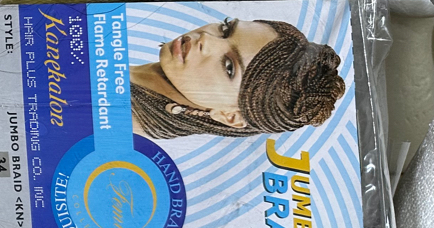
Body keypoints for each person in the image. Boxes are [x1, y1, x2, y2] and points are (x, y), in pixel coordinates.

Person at [128, 16, 345, 139]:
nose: (206, 39)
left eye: (229, 66)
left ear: (230, 116)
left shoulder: (116, 122)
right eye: (225, 30)